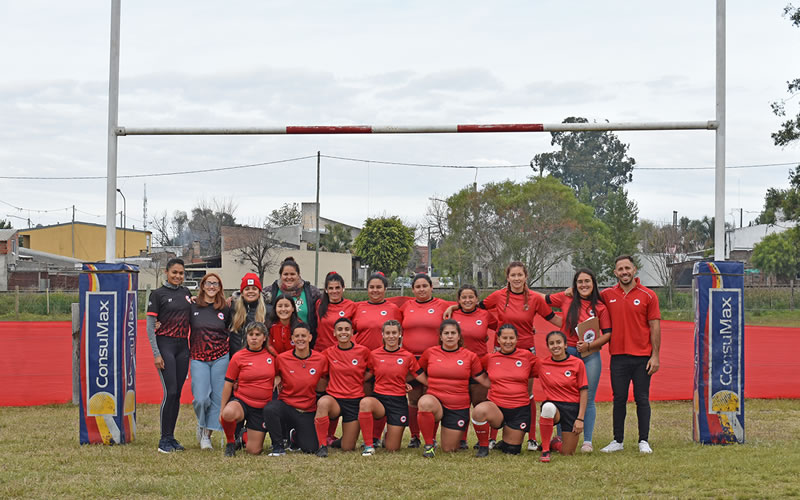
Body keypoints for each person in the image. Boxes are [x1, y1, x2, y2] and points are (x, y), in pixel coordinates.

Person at [445, 261, 561, 451]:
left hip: (526, 352)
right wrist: (454, 309)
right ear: (507, 277)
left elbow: (554, 319)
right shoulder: (498, 296)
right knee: (496, 392)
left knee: (527, 394)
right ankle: (491, 438)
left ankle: (531, 438)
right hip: (501, 351)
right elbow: (475, 307)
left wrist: (575, 329)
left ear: (526, 277)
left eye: (520, 275)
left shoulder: (534, 299)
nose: (516, 279)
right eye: (513, 275)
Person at [598, 255, 661, 454]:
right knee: (619, 399)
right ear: (615, 272)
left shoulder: (648, 295)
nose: (624, 272)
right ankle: (618, 440)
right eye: (620, 269)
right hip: (618, 356)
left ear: (634, 270)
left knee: (642, 398)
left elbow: (654, 326)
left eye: (627, 268)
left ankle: (644, 440)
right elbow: (586, 298)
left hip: (643, 357)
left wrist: (655, 356)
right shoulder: (607, 295)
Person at [545, 268, 611, 453]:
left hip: (590, 356)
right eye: (580, 282)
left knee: (588, 398)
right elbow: (543, 300)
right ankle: (560, 436)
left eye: (587, 281)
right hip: (567, 355)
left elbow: (607, 335)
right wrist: (521, 287)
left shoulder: (601, 306)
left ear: (593, 284)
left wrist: (589, 347)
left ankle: (587, 441)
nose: (584, 285)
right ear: (574, 284)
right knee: (562, 397)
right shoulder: (565, 298)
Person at [417, 319, 489, 458]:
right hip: (435, 401)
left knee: (449, 449)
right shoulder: (430, 353)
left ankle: (447, 439)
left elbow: (482, 379)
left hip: (457, 406)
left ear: (459, 336)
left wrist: (503, 384)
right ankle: (429, 445)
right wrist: (429, 382)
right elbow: (416, 371)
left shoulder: (470, 356)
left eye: (453, 333)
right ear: (440, 336)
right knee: (425, 402)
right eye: (446, 333)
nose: (449, 336)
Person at [400, 273, 455, 448]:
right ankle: (415, 437)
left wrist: (453, 307)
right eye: (418, 286)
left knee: (432, 396)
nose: (421, 289)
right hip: (412, 359)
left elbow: (466, 306)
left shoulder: (441, 305)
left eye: (425, 286)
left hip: (435, 358)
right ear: (413, 289)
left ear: (432, 287)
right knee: (414, 399)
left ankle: (431, 437)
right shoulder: (406, 306)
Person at [358, 320, 428, 456]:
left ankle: (387, 435)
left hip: (398, 401)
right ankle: (368, 445)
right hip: (379, 400)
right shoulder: (374, 355)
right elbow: (365, 375)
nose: (391, 336)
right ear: (383, 335)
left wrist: (439, 387)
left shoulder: (408, 356)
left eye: (394, 333)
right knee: (365, 403)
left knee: (392, 448)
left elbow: (420, 376)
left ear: (400, 334)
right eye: (388, 333)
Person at [146, 258, 193, 453]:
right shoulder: (157, 295)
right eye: (174, 272)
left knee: (178, 395)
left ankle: (171, 437)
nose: (177, 276)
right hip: (165, 345)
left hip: (183, 346)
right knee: (170, 392)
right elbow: (150, 327)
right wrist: (156, 354)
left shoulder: (186, 293)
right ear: (166, 272)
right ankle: (163, 440)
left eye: (181, 273)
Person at [263, 322, 329, 456]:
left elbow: (323, 381)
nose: (300, 339)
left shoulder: (321, 359)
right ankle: (278, 446)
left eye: (303, 336)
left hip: (307, 409)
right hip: (287, 406)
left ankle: (294, 437)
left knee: (310, 448)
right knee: (270, 409)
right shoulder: (282, 359)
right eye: (297, 336)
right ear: (292, 339)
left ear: (310, 337)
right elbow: (274, 375)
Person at [471, 324, 537, 458]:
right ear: (498, 340)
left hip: (519, 409)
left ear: (517, 339)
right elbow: (475, 370)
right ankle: (483, 446)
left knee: (512, 451)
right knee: (479, 410)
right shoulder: (490, 358)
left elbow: (542, 371)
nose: (508, 341)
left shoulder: (527, 356)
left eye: (511, 338)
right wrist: (490, 384)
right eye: (504, 338)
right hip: (497, 408)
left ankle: (505, 442)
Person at [314, 318, 371, 457]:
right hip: (335, 399)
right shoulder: (328, 353)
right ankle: (322, 445)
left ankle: (336, 442)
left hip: (354, 400)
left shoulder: (363, 351)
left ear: (352, 332)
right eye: (340, 329)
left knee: (348, 447)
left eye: (347, 329)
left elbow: (372, 370)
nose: (343, 332)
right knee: (322, 402)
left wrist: (359, 380)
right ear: (334, 333)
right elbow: (321, 373)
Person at [218, 321, 276, 457]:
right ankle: (231, 443)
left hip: (261, 407)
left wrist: (278, 377)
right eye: (251, 334)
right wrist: (221, 409)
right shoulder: (238, 356)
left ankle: (243, 435)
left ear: (264, 337)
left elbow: (281, 370)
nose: (254, 338)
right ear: (246, 337)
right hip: (242, 401)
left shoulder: (272, 355)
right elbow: (228, 383)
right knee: (228, 413)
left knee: (254, 451)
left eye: (258, 334)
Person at [189, 272, 231, 450]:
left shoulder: (225, 308)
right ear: (203, 286)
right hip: (199, 357)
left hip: (221, 357)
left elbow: (230, 327)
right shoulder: (192, 306)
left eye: (216, 284)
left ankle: (207, 434)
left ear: (220, 287)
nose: (212, 287)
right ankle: (201, 422)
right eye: (208, 283)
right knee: (201, 398)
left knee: (217, 398)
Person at [451, 284, 495, 449]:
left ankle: (483, 439)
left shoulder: (485, 315)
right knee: (461, 404)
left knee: (479, 403)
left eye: (471, 297)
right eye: (464, 297)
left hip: (480, 365)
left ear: (477, 299)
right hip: (457, 365)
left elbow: (501, 328)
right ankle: (461, 439)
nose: (468, 300)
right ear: (459, 300)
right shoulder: (452, 314)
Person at [537, 330, 588, 463]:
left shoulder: (577, 363)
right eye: (551, 343)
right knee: (547, 407)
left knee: (567, 453)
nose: (555, 346)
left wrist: (580, 419)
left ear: (565, 345)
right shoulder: (542, 364)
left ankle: (555, 443)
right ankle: (546, 449)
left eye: (559, 342)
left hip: (572, 408)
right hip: (554, 407)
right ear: (548, 346)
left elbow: (584, 391)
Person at [267, 257, 322, 345]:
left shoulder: (312, 292)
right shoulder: (270, 291)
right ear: (281, 275)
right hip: (278, 343)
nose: (289, 277)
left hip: (304, 342)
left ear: (298, 274)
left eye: (292, 274)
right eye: (285, 274)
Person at [353, 272, 402, 351]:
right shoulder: (359, 308)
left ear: (385, 289)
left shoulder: (393, 309)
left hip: (385, 356)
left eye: (379, 287)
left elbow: (400, 333)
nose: (375, 290)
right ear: (367, 289)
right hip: (362, 355)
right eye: (372, 287)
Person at [315, 271, 357, 352]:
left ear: (343, 288)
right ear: (326, 290)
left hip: (342, 352)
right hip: (322, 350)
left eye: (337, 287)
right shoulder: (319, 304)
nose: (334, 291)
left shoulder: (351, 306)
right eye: (331, 288)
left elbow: (355, 331)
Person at [229, 273, 269, 355]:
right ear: (242, 293)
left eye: (254, 289)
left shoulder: (268, 311)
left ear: (259, 292)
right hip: (236, 356)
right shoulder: (233, 309)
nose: (251, 291)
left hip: (259, 357)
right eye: (247, 289)